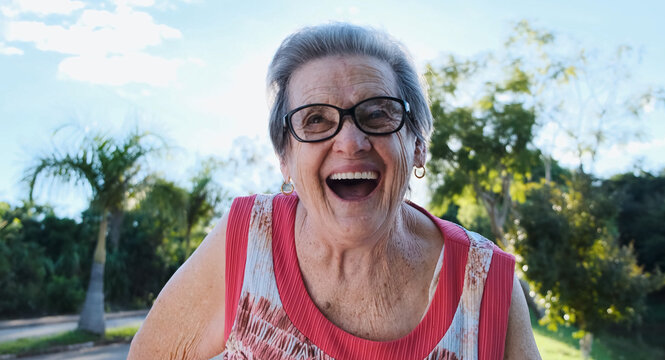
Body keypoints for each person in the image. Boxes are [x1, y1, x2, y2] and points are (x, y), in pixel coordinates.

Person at [129, 23, 540, 360]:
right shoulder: (247, 240)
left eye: (378, 113)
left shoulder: (486, 285)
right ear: (285, 159)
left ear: (417, 146)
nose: (350, 141)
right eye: (315, 120)